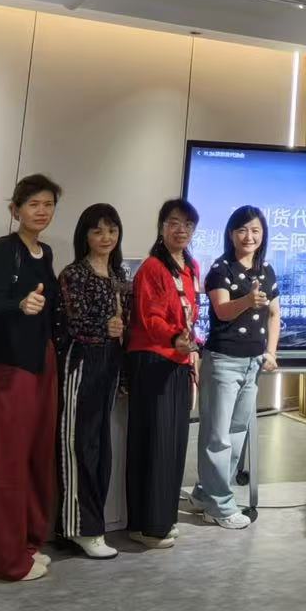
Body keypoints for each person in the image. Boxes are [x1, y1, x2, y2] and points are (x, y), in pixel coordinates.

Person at [0, 175, 64, 582]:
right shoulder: (4, 249)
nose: (41, 211)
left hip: (40, 361)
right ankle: (6, 558)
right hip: (9, 366)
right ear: (15, 210)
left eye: (48, 204)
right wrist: (19, 305)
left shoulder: (45, 251)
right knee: (8, 462)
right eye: (33, 204)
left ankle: (28, 544)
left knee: (35, 456)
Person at [197, 205, 281, 529]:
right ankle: (219, 506)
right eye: (242, 230)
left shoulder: (267, 270)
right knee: (218, 436)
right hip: (223, 361)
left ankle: (208, 493)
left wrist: (270, 352)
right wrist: (248, 300)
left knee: (236, 433)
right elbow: (221, 311)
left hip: (252, 364)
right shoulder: (221, 269)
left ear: (263, 235)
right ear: (231, 234)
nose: (249, 236)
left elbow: (274, 314)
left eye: (255, 230)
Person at [53, 203, 130, 559]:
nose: (105, 237)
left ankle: (94, 524)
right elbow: (72, 323)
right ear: (84, 235)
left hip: (110, 364)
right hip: (82, 363)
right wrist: (105, 327)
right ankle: (79, 528)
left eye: (111, 230)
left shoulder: (118, 275)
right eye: (97, 230)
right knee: (79, 445)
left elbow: (126, 325)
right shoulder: (74, 274)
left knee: (101, 447)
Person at [126, 199, 201, 549]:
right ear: (161, 227)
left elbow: (189, 315)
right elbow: (149, 317)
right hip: (153, 362)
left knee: (174, 445)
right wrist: (174, 339)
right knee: (153, 443)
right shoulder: (152, 268)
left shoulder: (192, 266)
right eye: (173, 222)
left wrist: (190, 346)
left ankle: (163, 518)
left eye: (187, 224)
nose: (181, 230)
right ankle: (146, 525)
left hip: (180, 362)